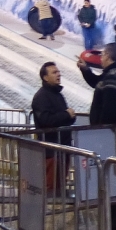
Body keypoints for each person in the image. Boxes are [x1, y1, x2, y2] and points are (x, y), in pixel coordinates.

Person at [77, 43, 116, 230]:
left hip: (110, 135)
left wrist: (98, 131)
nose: (100, 58)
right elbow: (97, 82)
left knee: (113, 180)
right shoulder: (115, 73)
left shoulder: (114, 78)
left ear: (109, 57)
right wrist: (85, 71)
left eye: (102, 55)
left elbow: (109, 109)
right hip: (114, 133)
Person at [31, 62, 76, 192]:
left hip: (62, 146)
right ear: (45, 77)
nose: (58, 74)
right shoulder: (41, 97)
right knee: (51, 187)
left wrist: (70, 116)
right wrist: (66, 115)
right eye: (54, 72)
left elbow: (64, 117)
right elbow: (46, 120)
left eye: (58, 72)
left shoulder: (58, 95)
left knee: (59, 185)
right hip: (51, 148)